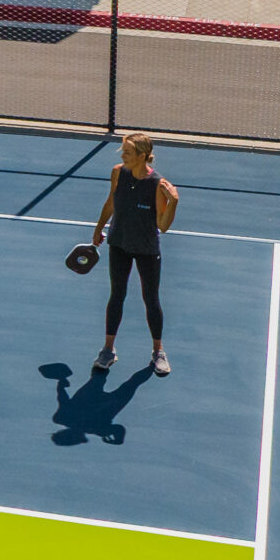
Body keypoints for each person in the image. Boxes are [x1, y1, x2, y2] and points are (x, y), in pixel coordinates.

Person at [90, 131, 180, 377]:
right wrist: (99, 228)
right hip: (119, 243)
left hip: (146, 249)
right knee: (116, 295)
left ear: (142, 156)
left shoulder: (158, 185)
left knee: (151, 299)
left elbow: (163, 225)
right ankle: (108, 350)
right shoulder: (118, 172)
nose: (123, 155)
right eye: (123, 151)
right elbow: (111, 202)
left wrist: (173, 202)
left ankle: (158, 352)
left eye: (128, 152)